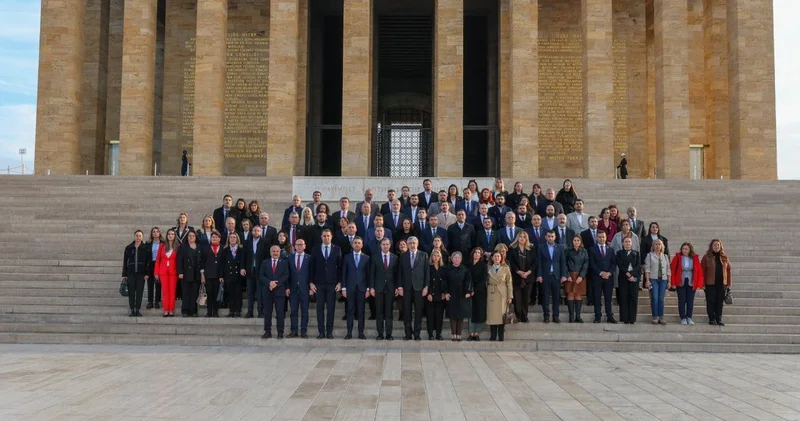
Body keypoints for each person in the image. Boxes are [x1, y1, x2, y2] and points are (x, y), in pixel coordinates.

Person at [310, 229, 342, 339]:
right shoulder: (315, 249)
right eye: (324, 236)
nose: (326, 238)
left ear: (331, 236)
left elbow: (340, 267)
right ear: (321, 237)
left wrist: (340, 282)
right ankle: (321, 332)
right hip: (318, 283)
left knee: (331, 308)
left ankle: (329, 332)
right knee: (319, 308)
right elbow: (312, 267)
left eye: (328, 236)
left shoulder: (337, 249)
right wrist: (311, 282)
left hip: (332, 284)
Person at [399, 237, 429, 341]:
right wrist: (400, 287)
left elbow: (427, 272)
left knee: (418, 312)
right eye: (410, 243)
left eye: (414, 243)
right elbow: (400, 273)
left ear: (417, 243)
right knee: (406, 312)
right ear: (407, 244)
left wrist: (426, 286)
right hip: (406, 287)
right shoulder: (403, 256)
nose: (412, 245)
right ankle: (407, 333)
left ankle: (417, 334)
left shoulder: (424, 255)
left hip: (419, 287)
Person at [341, 237, 370, 340]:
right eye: (355, 243)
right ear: (352, 245)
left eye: (359, 243)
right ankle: (349, 332)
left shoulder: (366, 258)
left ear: (362, 245)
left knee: (361, 311)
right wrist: (343, 288)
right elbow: (343, 273)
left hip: (362, 288)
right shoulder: (347, 257)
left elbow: (368, 275)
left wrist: (368, 289)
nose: (357, 244)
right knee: (350, 311)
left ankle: (361, 333)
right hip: (350, 288)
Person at [370, 238, 398, 340]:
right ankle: (380, 334)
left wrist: (397, 287)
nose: (385, 246)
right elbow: (372, 273)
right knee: (379, 312)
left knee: (389, 312)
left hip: (390, 288)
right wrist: (372, 287)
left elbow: (397, 274)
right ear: (380, 246)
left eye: (387, 244)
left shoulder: (395, 258)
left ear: (390, 246)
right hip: (378, 288)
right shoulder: (375, 257)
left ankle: (389, 334)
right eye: (383, 244)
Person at [536, 231, 567, 323]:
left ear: (555, 237)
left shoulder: (560, 247)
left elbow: (563, 262)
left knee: (556, 298)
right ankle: (546, 316)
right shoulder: (541, 247)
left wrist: (563, 275)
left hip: (556, 276)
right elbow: (539, 263)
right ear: (545, 237)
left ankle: (555, 316)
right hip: (545, 276)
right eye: (548, 236)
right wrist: (539, 275)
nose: (550, 238)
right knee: (545, 297)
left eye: (552, 236)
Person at [671, 242, 704, 326]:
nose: (684, 250)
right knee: (682, 300)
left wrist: (700, 283)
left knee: (690, 300)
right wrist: (673, 283)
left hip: (691, 281)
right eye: (683, 249)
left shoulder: (694, 258)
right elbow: (673, 270)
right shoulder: (677, 257)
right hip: (681, 281)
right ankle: (682, 317)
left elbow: (699, 271)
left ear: (690, 250)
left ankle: (689, 317)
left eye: (686, 249)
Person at [260, 245, 289, 339]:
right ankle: (267, 331)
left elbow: (286, 275)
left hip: (279, 291)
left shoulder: (284, 263)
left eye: (277, 251)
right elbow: (261, 275)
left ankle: (280, 332)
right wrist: (269, 283)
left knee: (280, 313)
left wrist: (277, 283)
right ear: (270, 252)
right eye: (273, 251)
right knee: (267, 313)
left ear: (280, 252)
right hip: (267, 291)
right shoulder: (265, 262)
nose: (275, 253)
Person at [701, 239, 731, 326]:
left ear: (720, 246)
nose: (716, 247)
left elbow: (728, 271)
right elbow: (702, 271)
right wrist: (702, 284)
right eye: (714, 245)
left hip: (722, 284)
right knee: (710, 301)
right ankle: (712, 318)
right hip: (710, 283)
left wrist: (728, 284)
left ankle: (719, 318)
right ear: (711, 246)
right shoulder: (706, 257)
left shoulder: (724, 257)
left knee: (719, 302)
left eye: (718, 245)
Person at [588, 231, 617, 323]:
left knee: (608, 298)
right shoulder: (592, 249)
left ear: (606, 238)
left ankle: (610, 316)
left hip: (608, 278)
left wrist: (609, 273)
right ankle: (597, 317)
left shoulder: (610, 249)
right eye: (599, 237)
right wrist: (600, 273)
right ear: (596, 238)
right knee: (597, 298)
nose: (601, 239)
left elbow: (613, 263)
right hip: (597, 277)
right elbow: (592, 263)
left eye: (603, 237)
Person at [444, 252, 472, 341]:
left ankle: (459, 334)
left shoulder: (465, 269)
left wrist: (468, 291)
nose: (457, 259)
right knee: (452, 315)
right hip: (451, 294)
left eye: (458, 258)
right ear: (452, 259)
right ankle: (453, 334)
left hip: (462, 294)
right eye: (455, 258)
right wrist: (445, 292)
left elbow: (468, 281)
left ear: (461, 259)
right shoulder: (447, 269)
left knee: (461, 315)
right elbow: (444, 282)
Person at [508, 231, 535, 323]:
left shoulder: (531, 249)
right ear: (517, 238)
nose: (522, 238)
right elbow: (511, 262)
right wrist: (518, 271)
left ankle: (525, 316)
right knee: (517, 298)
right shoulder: (512, 249)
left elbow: (534, 263)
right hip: (516, 277)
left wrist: (528, 272)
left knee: (526, 298)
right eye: (520, 236)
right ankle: (518, 316)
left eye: (524, 237)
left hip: (528, 277)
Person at [286, 238, 311, 338]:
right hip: (293, 289)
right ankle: (294, 331)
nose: (299, 246)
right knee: (293, 311)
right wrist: (287, 287)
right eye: (297, 245)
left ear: (305, 246)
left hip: (305, 289)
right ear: (294, 246)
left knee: (305, 311)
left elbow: (311, 274)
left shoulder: (309, 258)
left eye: (301, 244)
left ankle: (303, 331)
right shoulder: (289, 258)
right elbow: (287, 274)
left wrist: (311, 287)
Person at [122, 230, 150, 317]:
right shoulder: (128, 248)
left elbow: (148, 262)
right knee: (131, 292)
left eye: (140, 236)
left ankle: (137, 310)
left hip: (141, 274)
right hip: (130, 273)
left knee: (139, 292)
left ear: (142, 237)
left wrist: (147, 273)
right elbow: (125, 261)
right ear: (134, 236)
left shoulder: (145, 248)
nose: (138, 237)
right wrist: (124, 274)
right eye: (137, 235)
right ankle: (132, 309)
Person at [486, 251, 513, 341]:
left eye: (498, 256)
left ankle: (501, 336)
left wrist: (510, 296)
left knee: (502, 315)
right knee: (492, 315)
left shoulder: (506, 268)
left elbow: (509, 283)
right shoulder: (488, 268)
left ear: (501, 258)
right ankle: (493, 336)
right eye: (495, 256)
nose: (497, 258)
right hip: (492, 293)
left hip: (503, 294)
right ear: (492, 258)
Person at [644, 239, 671, 325]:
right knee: (654, 297)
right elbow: (647, 269)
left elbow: (668, 269)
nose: (657, 246)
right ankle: (655, 316)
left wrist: (669, 281)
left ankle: (661, 316)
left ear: (662, 246)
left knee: (661, 298)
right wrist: (647, 280)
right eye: (655, 244)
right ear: (653, 246)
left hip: (663, 279)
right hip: (653, 279)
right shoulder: (649, 255)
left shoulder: (665, 256)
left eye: (659, 244)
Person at [243, 225, 267, 318]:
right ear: (251, 232)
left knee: (260, 293)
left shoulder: (265, 242)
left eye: (258, 231)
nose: (256, 232)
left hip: (260, 271)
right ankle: (250, 311)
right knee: (250, 293)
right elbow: (243, 256)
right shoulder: (247, 242)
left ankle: (260, 312)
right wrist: (242, 268)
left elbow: (266, 258)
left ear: (260, 232)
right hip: (250, 271)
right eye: (254, 230)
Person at [616, 237, 642, 324]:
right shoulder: (619, 253)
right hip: (623, 278)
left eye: (629, 242)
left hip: (633, 278)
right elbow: (619, 264)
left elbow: (638, 265)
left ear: (632, 243)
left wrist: (632, 274)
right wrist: (626, 272)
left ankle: (632, 318)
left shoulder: (636, 253)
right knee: (624, 297)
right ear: (623, 243)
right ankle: (624, 318)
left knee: (633, 298)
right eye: (625, 242)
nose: (627, 243)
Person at [154, 229, 180, 317]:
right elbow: (158, 259)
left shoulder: (178, 246)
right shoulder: (162, 246)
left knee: (172, 291)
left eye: (172, 234)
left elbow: (179, 260)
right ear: (167, 235)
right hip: (163, 271)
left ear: (175, 236)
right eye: (169, 234)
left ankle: (171, 310)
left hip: (173, 272)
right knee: (165, 291)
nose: (170, 235)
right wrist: (156, 272)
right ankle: (166, 310)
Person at [177, 230, 201, 317]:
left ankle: (193, 311)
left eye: (193, 236)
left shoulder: (199, 247)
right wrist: (180, 272)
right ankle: (185, 311)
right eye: (190, 236)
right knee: (186, 293)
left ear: (195, 237)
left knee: (194, 293)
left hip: (196, 274)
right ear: (187, 237)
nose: (191, 237)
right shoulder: (183, 247)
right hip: (186, 273)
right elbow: (179, 260)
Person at [200, 231, 223, 317]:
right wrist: (202, 275)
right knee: (209, 294)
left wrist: (222, 275)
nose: (214, 238)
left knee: (216, 294)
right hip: (208, 275)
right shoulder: (206, 248)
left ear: (219, 239)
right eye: (213, 237)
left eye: (216, 237)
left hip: (218, 276)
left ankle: (215, 311)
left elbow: (223, 264)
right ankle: (209, 312)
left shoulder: (222, 248)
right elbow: (202, 262)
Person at [565, 235, 588, 323]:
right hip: (570, 275)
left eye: (578, 240)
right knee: (570, 294)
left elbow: (586, 264)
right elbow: (564, 263)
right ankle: (571, 316)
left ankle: (578, 316)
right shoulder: (568, 251)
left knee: (578, 294)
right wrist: (567, 275)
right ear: (572, 241)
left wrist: (581, 276)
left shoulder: (584, 251)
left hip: (580, 276)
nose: (576, 242)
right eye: (574, 240)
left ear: (581, 241)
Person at [467, 247, 488, 341]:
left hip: (480, 292)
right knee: (471, 312)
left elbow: (483, 279)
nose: (476, 254)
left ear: (481, 255)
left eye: (479, 252)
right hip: (469, 292)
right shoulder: (468, 264)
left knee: (479, 312)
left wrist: (475, 290)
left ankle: (477, 333)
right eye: (475, 252)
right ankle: (471, 333)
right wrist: (469, 290)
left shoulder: (483, 265)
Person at [426, 249, 447, 340]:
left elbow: (446, 282)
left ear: (440, 257)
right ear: (431, 257)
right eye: (434, 255)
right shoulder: (428, 267)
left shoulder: (443, 268)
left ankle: (438, 333)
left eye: (437, 255)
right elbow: (427, 280)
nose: (436, 257)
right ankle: (430, 334)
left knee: (439, 316)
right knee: (430, 315)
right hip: (431, 294)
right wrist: (429, 293)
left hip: (440, 294)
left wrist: (444, 293)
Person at [145, 227, 163, 310]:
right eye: (153, 232)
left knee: (158, 284)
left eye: (157, 232)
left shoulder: (163, 243)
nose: (155, 233)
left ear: (159, 233)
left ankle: (157, 301)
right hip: (151, 264)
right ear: (151, 234)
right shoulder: (148, 243)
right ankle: (150, 302)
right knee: (150, 284)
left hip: (159, 264)